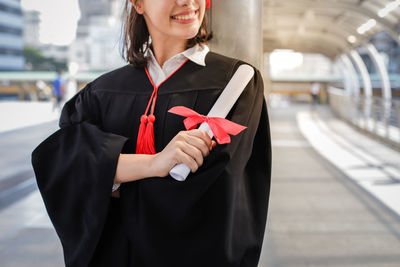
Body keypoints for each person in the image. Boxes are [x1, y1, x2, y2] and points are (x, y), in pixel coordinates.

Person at [31, 0, 271, 266]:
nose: (187, 2)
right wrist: (154, 164)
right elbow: (63, 165)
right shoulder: (101, 92)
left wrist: (108, 179)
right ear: (138, 3)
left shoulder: (234, 84)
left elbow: (216, 192)